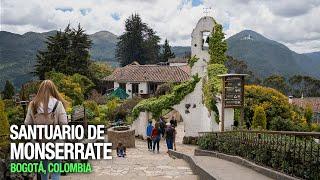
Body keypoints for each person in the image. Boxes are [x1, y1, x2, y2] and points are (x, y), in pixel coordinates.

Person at [24, 80, 68, 180]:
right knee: (56, 172)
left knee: (44, 172)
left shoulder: (33, 104)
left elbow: (27, 124)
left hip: (40, 144)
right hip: (56, 142)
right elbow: (64, 124)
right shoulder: (58, 104)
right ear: (53, 90)